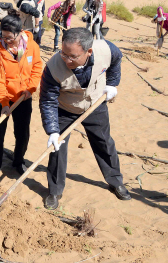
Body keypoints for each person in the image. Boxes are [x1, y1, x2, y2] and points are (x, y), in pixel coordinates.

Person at [39, 27, 130, 210]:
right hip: (65, 108)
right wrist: (53, 131)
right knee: (58, 148)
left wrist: (112, 84)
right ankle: (55, 190)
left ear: (88, 51)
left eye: (72, 56)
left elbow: (117, 58)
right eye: (64, 53)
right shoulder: (53, 67)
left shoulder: (106, 49)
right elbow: (47, 100)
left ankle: (115, 180)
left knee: (104, 142)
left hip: (95, 104)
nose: (67, 59)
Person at [0, 11, 43, 185]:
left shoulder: (32, 46)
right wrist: (3, 102)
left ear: (20, 32)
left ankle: (18, 161)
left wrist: (30, 89)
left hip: (24, 97)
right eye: (3, 36)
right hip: (2, 99)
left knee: (22, 134)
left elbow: (37, 68)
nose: (6, 41)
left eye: (10, 37)